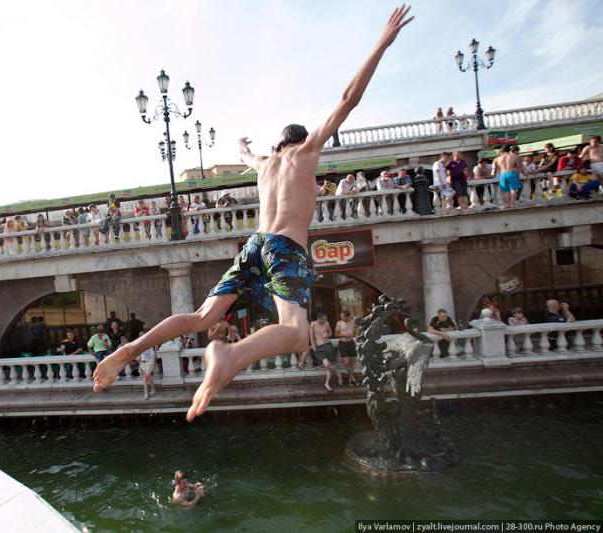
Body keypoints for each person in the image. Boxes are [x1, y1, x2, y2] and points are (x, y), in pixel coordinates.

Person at [93, 5, 414, 422]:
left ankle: (131, 349)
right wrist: (382, 43)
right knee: (297, 334)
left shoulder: (264, 164)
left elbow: (246, 152)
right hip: (285, 248)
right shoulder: (306, 151)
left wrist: (244, 147)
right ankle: (228, 357)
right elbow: (348, 99)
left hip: (254, 245)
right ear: (299, 143)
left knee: (202, 317)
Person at [308, 311, 342, 392]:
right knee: (326, 365)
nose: (325, 321)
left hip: (327, 345)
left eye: (325, 319)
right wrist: (313, 347)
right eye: (323, 319)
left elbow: (330, 333)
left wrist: (327, 335)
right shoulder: (313, 324)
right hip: (319, 347)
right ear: (319, 319)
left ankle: (327, 383)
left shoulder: (326, 323)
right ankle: (338, 374)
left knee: (328, 365)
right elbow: (311, 337)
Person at [493, 144, 523, 209]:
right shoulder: (515, 156)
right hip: (511, 173)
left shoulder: (497, 159)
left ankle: (508, 204)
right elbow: (518, 167)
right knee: (513, 190)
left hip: (503, 175)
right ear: (509, 149)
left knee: (505, 190)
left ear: (502, 150)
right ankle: (512, 204)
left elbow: (494, 171)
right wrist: (518, 176)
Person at [335, 310, 358, 386]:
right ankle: (353, 378)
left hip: (351, 343)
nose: (341, 318)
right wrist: (345, 334)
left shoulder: (353, 322)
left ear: (348, 316)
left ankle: (350, 379)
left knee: (351, 363)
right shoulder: (339, 323)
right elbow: (336, 334)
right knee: (347, 363)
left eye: (343, 316)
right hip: (342, 344)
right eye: (341, 316)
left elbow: (357, 331)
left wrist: (355, 334)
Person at [138, 332, 157, 400]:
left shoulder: (149, 343)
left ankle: (148, 392)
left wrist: (152, 361)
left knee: (146, 376)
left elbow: (152, 354)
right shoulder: (140, 344)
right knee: (147, 377)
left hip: (149, 362)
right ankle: (151, 390)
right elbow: (140, 354)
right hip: (143, 362)